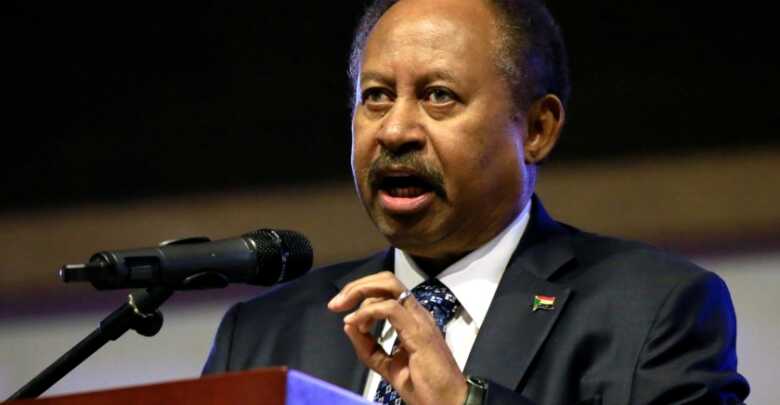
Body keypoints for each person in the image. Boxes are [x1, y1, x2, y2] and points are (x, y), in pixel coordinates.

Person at [203, 0, 750, 403]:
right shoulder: (260, 336)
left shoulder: (654, 311)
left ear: (536, 129)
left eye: (439, 96)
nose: (394, 130)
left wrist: (464, 403)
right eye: (377, 97)